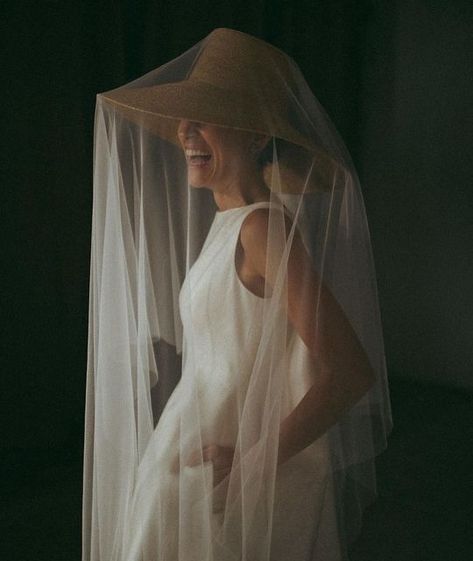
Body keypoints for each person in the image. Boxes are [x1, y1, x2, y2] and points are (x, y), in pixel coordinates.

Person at [83, 28, 392, 561]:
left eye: (205, 117)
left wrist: (253, 464)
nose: (185, 132)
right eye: (184, 118)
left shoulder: (262, 230)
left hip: (228, 479)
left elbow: (349, 371)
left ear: (254, 136)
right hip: (194, 456)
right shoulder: (231, 222)